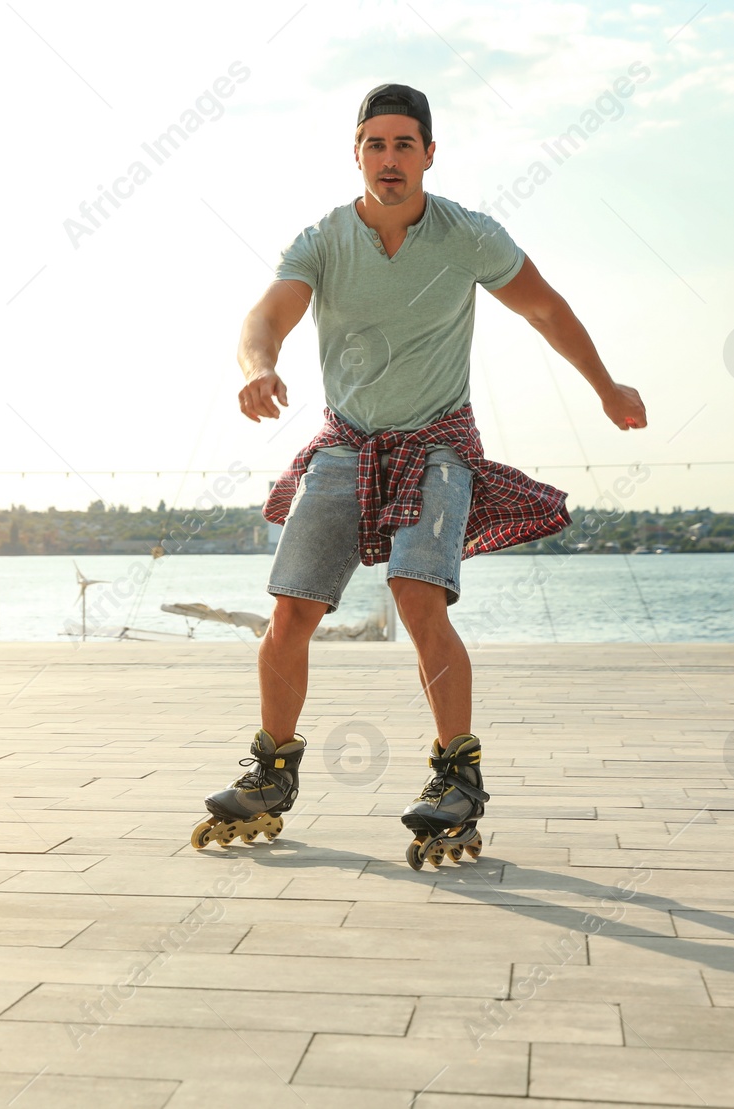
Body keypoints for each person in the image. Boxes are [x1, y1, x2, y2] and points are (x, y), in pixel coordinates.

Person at [190, 83, 647, 867]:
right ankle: (271, 770)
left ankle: (456, 777)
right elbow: (265, 317)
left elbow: (544, 308)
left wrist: (606, 385)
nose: (391, 159)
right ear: (357, 154)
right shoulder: (325, 240)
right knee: (289, 611)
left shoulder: (468, 235)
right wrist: (259, 366)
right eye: (376, 144)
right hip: (346, 444)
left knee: (417, 595)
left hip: (437, 444)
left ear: (430, 154)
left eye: (405, 145)